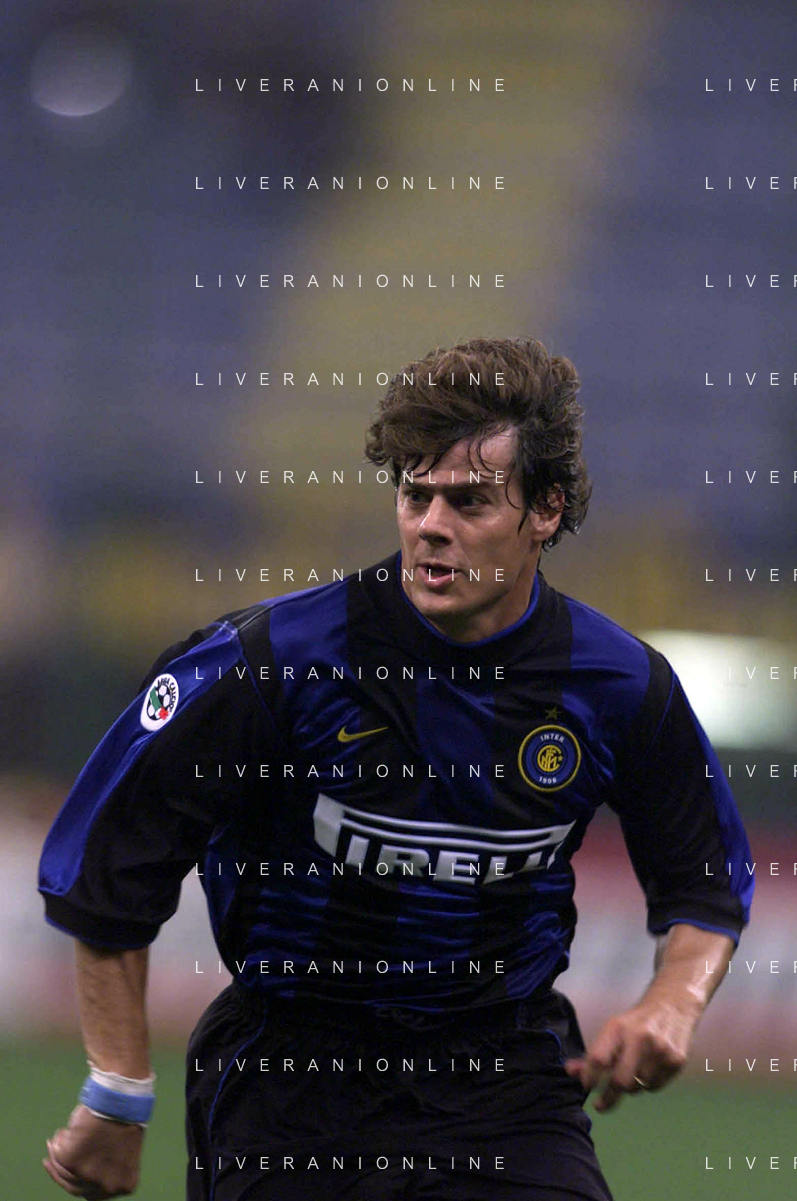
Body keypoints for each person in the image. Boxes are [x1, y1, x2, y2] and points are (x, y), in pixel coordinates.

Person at [39, 337, 753, 1200]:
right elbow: (109, 864)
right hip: (292, 1084)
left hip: (505, 1083)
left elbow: (705, 880)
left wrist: (672, 1000)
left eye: (469, 500)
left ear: (545, 510)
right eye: (415, 494)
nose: (430, 525)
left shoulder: (619, 683)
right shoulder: (270, 661)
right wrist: (115, 1093)